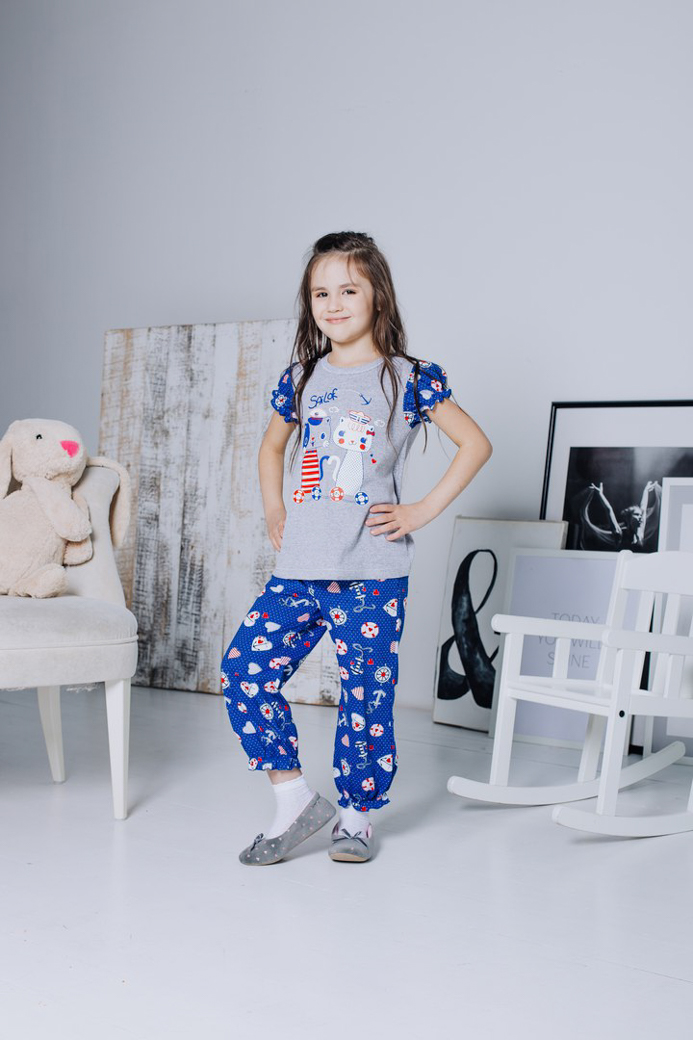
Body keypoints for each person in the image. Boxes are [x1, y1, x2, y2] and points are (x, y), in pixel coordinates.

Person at [221, 231, 492, 865]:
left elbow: (475, 443)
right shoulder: (302, 377)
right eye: (321, 293)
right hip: (300, 568)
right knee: (244, 670)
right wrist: (275, 509)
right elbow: (271, 448)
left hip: (372, 571)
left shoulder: (408, 377)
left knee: (365, 697)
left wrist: (421, 510)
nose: (334, 303)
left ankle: (356, 818)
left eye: (348, 290)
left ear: (377, 297)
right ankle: (293, 800)